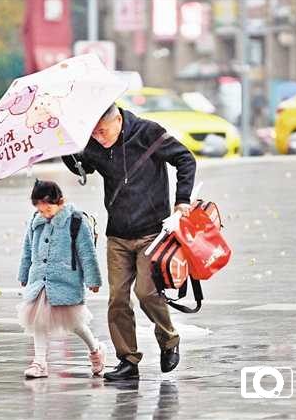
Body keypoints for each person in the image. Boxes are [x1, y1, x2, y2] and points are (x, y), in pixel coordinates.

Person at [62, 104, 196, 381]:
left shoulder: (148, 132)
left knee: (147, 293)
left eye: (103, 131)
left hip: (152, 233)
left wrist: (182, 201)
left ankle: (169, 339)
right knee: (118, 300)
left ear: (118, 120)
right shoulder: (93, 142)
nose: (98, 137)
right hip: (118, 234)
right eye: (93, 133)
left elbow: (185, 159)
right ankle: (128, 360)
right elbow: (83, 167)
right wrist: (68, 148)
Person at [17, 179, 106, 379]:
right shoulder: (36, 221)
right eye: (40, 210)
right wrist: (24, 274)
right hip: (39, 280)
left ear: (61, 202)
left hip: (65, 280)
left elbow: (86, 252)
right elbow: (28, 250)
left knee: (75, 324)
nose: (44, 213)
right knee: (38, 321)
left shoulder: (75, 220)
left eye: (48, 209)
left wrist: (93, 280)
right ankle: (40, 362)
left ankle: (95, 350)